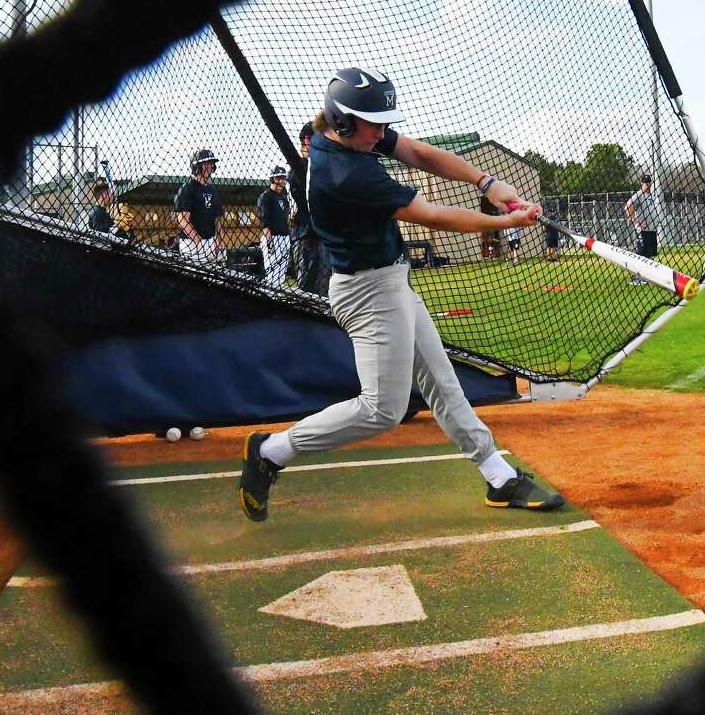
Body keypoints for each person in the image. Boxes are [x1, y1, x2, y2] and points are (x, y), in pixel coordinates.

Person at [238, 66, 563, 522]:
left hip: (390, 281)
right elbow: (430, 214)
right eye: (373, 125)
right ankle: (270, 452)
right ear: (343, 121)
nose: (382, 133)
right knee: (381, 411)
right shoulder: (344, 173)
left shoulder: (350, 137)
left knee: (442, 383)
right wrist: (504, 221)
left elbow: (418, 152)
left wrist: (487, 184)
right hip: (367, 292)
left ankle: (498, 476)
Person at [288, 122, 330, 296]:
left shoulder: (317, 167)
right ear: (308, 140)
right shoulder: (298, 170)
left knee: (325, 288)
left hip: (319, 236)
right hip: (306, 236)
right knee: (310, 288)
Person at [174, 148, 224, 263]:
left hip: (211, 242)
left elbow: (217, 220)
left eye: (211, 163)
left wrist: (221, 244)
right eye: (206, 163)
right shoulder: (188, 188)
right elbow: (182, 220)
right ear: (196, 166)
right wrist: (199, 242)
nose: (210, 166)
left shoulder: (213, 190)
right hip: (191, 244)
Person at [257, 165, 293, 286]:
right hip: (272, 238)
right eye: (278, 178)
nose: (282, 180)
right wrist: (269, 241)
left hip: (284, 237)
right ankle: (268, 295)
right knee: (272, 272)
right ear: (272, 179)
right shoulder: (265, 196)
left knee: (281, 273)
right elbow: (264, 220)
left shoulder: (283, 197)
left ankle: (276, 294)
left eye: (283, 178)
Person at [624, 174, 659, 285]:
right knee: (641, 254)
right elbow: (628, 206)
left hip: (651, 230)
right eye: (645, 182)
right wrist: (635, 221)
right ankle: (636, 278)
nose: (647, 184)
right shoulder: (639, 195)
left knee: (649, 254)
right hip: (642, 230)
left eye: (648, 182)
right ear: (641, 183)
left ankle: (646, 277)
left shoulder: (652, 195)